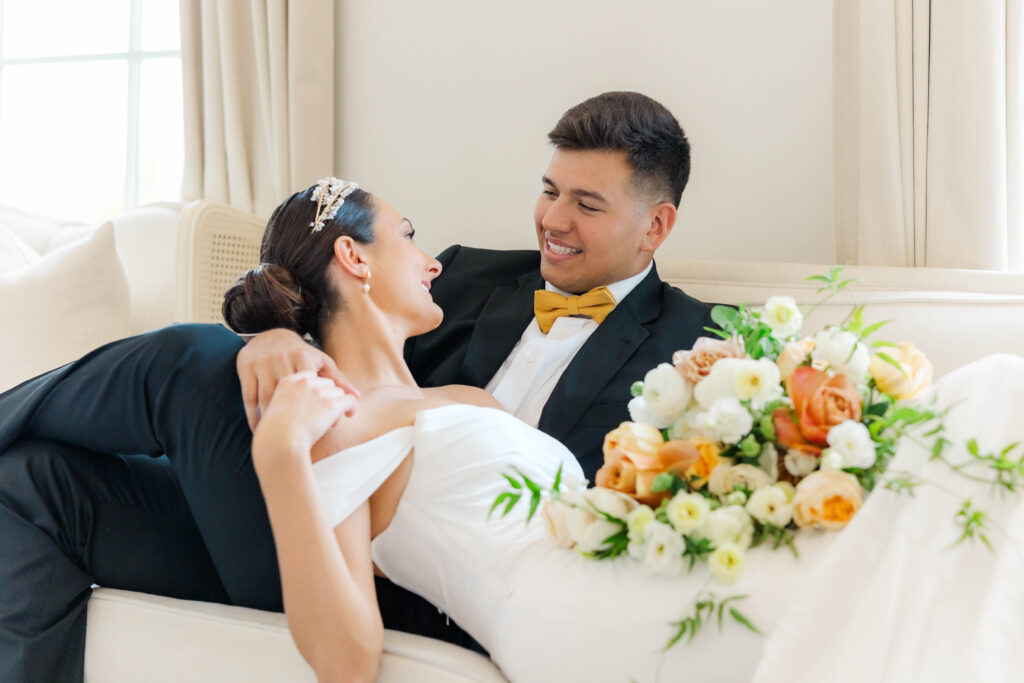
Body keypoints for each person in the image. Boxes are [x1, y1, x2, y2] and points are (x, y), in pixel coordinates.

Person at [0, 91, 711, 682]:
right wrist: (275, 338)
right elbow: (347, 336)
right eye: (550, 190)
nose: (554, 220)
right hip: (345, 510)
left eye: (586, 204)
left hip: (453, 582)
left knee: (191, 356)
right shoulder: (467, 275)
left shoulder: (704, 351)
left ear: (657, 224)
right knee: (32, 479)